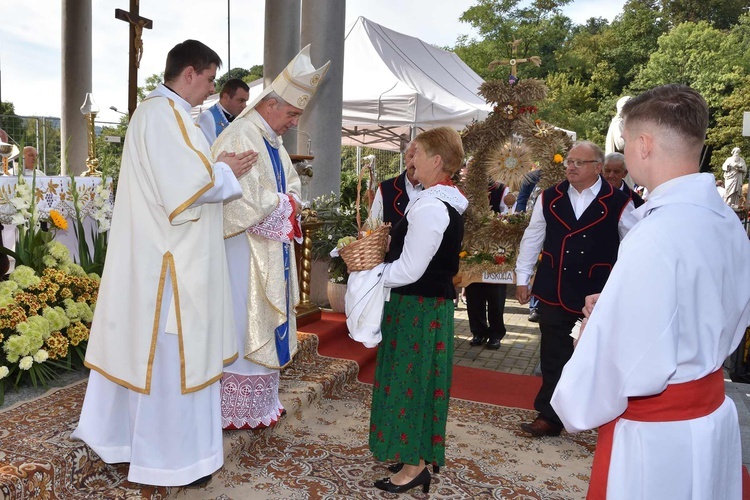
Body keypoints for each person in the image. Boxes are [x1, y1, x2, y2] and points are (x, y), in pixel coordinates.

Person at [72, 39, 257, 487]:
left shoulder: (173, 117)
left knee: (161, 362)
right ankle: (170, 462)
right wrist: (227, 168)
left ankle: (150, 450)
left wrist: (218, 166)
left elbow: (187, 173)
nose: (212, 90)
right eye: (211, 80)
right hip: (170, 266)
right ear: (189, 72)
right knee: (171, 364)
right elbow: (187, 188)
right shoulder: (160, 114)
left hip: (172, 255)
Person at [551, 84, 750, 500]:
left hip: (658, 438)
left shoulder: (655, 234)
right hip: (710, 410)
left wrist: (596, 327)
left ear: (642, 145)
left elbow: (611, 370)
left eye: (623, 141)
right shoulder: (727, 221)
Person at [213, 44, 329, 431]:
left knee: (261, 320)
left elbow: (291, 186)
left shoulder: (272, 141)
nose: (294, 123)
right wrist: (282, 204)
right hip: (241, 253)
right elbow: (233, 196)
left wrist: (288, 202)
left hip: (268, 246)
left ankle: (258, 403)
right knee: (244, 319)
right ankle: (233, 405)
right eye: (293, 114)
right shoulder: (241, 134)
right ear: (273, 104)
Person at [368, 126, 467, 495]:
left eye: (417, 154)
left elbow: (410, 269)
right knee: (421, 382)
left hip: (416, 308)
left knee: (411, 384)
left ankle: (414, 467)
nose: (411, 160)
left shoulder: (431, 205)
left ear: (437, 160)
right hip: (424, 306)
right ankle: (417, 456)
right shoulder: (442, 200)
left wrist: (373, 275)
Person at [514, 140, 634, 438]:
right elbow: (533, 237)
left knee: (591, 356)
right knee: (552, 354)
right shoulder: (549, 197)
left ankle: (593, 412)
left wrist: (627, 288)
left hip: (596, 292)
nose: (571, 166)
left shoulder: (620, 201)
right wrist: (521, 277)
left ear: (597, 167)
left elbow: (634, 246)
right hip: (554, 286)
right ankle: (549, 416)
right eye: (569, 161)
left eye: (580, 162)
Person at [466, 180, 513, 349]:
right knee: (473, 291)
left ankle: (495, 333)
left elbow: (508, 216)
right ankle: (478, 331)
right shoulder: (469, 188)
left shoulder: (501, 189)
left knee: (495, 293)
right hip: (473, 245)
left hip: (496, 246)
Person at [368, 140, 421, 226]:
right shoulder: (386, 188)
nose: (414, 161)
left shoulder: (434, 189)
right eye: (411, 156)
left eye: (418, 157)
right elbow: (373, 222)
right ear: (405, 158)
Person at [198, 78, 250, 145]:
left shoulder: (241, 117)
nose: (244, 106)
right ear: (226, 97)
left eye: (245, 101)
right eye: (241, 100)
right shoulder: (206, 118)